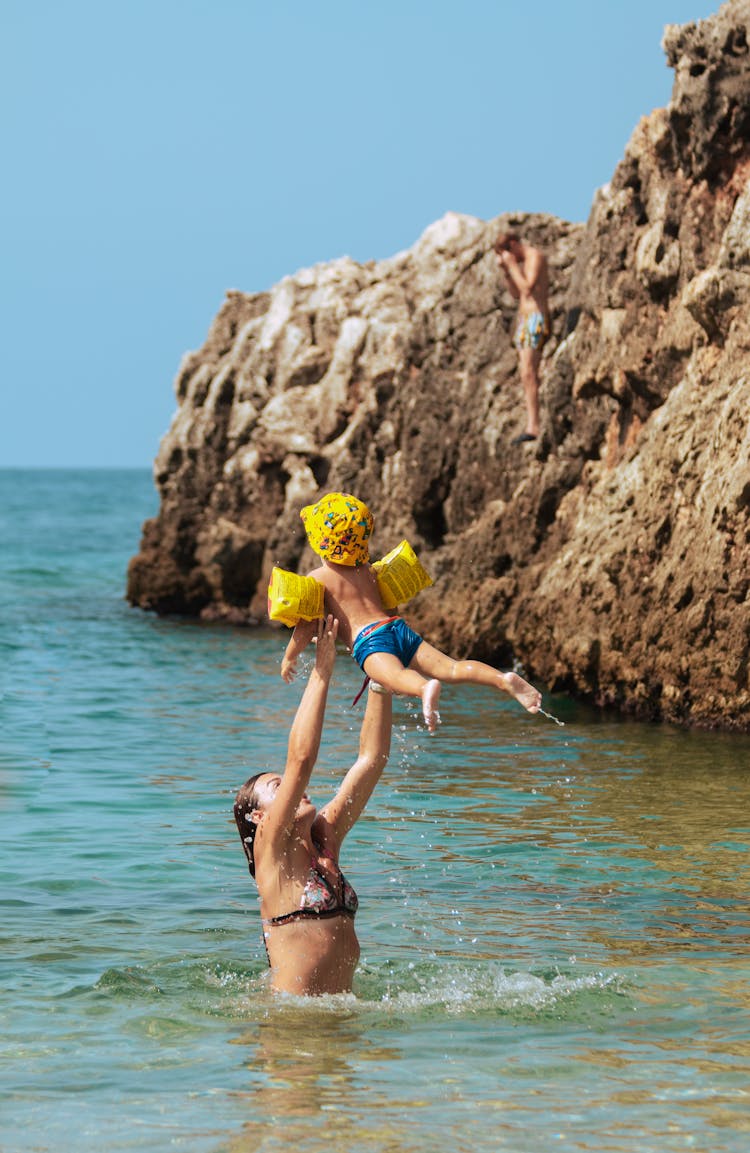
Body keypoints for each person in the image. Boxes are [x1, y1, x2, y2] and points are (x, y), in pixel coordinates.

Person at [281, 493, 542, 733]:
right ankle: (503, 679)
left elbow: (305, 626)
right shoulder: (370, 571)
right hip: (396, 627)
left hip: (369, 640)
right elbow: (389, 607)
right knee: (451, 667)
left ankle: (424, 687)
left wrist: (289, 657)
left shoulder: (319, 578)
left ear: (319, 542)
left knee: (395, 678)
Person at [234, 614, 392, 996]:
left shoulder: (326, 839)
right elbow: (301, 762)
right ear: (260, 816)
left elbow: (372, 759)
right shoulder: (269, 849)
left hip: (342, 1020)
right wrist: (321, 672)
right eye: (278, 787)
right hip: (290, 1026)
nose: (292, 787)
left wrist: (381, 679)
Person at [494, 232, 550, 444]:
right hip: (524, 321)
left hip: (536, 317)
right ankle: (532, 423)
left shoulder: (534, 256)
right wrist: (508, 272)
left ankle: (533, 426)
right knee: (526, 374)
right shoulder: (520, 264)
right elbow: (516, 294)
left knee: (529, 371)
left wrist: (512, 266)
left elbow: (527, 289)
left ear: (514, 245)